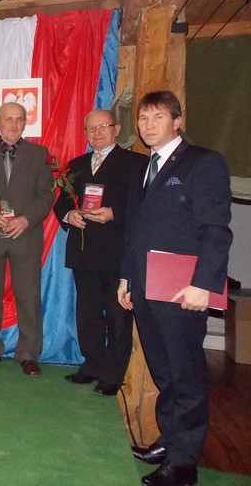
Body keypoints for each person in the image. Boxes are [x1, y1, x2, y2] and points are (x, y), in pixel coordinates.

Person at [119, 91, 232, 486]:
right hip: (146, 286)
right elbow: (134, 230)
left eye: (158, 117)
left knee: (185, 375)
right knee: (164, 372)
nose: (148, 125)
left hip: (183, 289)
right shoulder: (144, 167)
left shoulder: (203, 162)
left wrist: (204, 284)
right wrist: (126, 278)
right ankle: (170, 441)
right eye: (143, 118)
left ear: (177, 121)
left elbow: (216, 229)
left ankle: (183, 464)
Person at [53, 109, 146, 395]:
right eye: (91, 128)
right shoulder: (76, 164)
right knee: (88, 313)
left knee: (118, 315)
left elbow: (144, 206)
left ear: (116, 129)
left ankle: (112, 375)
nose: (97, 133)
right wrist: (69, 215)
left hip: (118, 252)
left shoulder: (136, 163)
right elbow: (61, 202)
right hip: (84, 250)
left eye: (103, 126)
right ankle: (91, 365)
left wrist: (114, 213)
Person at [0, 102, 54, 376]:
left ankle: (28, 354)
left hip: (25, 235)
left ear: (25, 123)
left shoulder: (40, 154)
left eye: (19, 119)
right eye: (8, 119)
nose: (14, 124)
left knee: (28, 297)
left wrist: (27, 219)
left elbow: (47, 195)